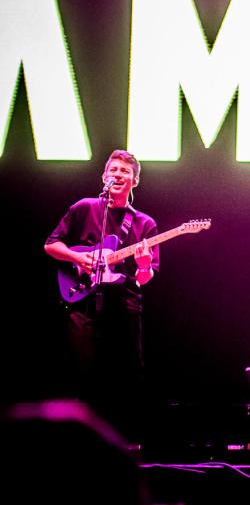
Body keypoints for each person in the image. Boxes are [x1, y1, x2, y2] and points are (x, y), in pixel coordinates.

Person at [44, 150, 159, 438]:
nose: (118, 175)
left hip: (125, 306)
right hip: (83, 302)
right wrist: (78, 258)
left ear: (135, 181)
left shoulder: (145, 224)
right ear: (104, 176)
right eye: (113, 170)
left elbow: (144, 278)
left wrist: (144, 264)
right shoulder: (84, 208)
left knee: (126, 375)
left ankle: (124, 440)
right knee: (82, 371)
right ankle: (79, 438)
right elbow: (51, 245)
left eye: (124, 171)